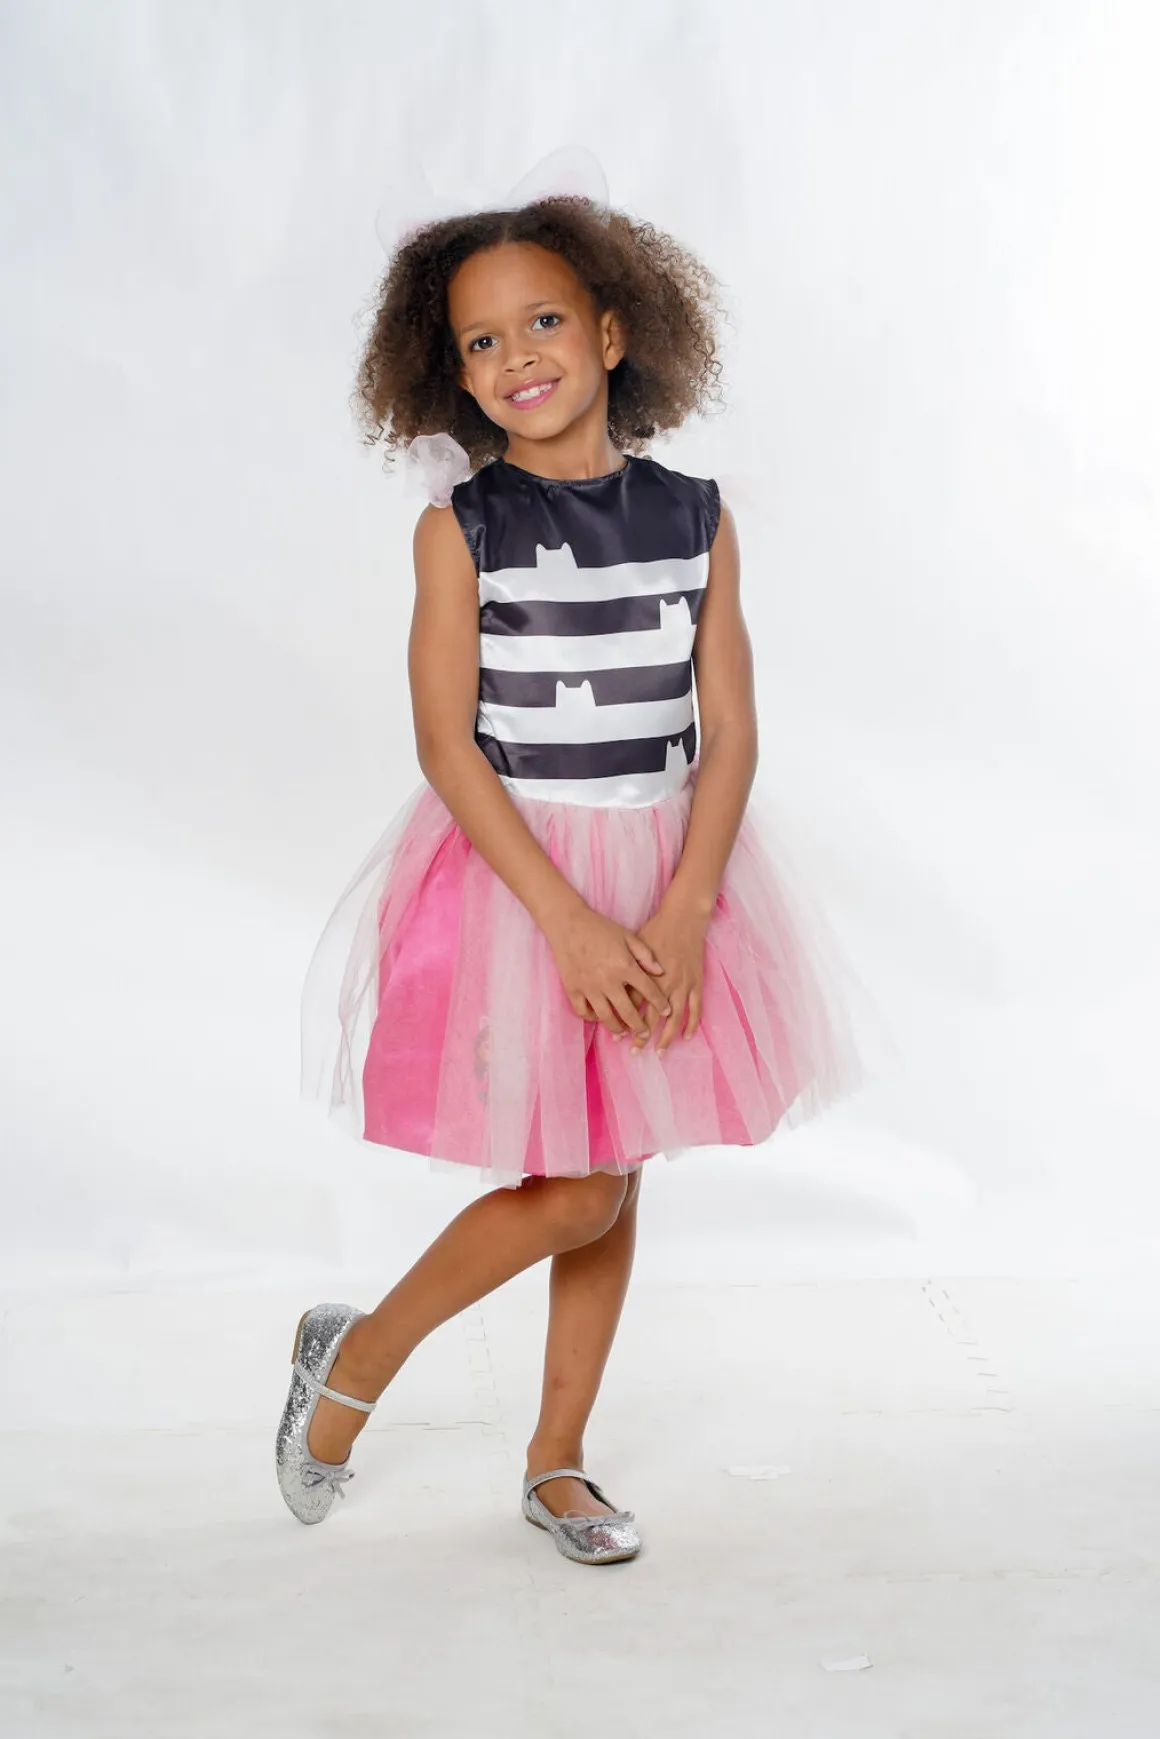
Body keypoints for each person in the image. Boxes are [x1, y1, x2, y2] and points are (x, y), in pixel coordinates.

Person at [278, 190, 868, 1566]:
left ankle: (557, 1461)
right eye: (480, 342)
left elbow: (729, 733)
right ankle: (354, 1358)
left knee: (615, 1167)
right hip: (523, 888)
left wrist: (685, 906)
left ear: (610, 333)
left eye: (542, 320)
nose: (516, 356)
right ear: (452, 374)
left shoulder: (697, 517)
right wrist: (572, 923)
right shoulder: (461, 528)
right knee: (578, 1185)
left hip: (668, 871)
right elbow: (446, 743)